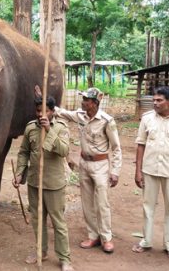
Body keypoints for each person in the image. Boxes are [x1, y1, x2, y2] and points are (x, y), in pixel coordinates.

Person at [55, 87, 122, 253]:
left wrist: (115, 171)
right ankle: (93, 236)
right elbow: (61, 112)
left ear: (94, 103)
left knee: (102, 203)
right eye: (83, 99)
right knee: (87, 203)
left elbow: (116, 148)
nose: (83, 102)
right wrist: (43, 100)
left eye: (86, 100)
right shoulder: (80, 115)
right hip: (84, 164)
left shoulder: (107, 121)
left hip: (100, 166)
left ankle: (106, 238)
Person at [13, 96, 74, 271]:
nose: (41, 114)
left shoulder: (60, 128)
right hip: (34, 182)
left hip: (54, 184)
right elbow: (24, 152)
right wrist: (19, 173)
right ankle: (42, 251)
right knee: (37, 220)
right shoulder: (31, 127)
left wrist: (49, 129)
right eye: (39, 110)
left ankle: (64, 259)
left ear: (53, 112)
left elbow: (64, 151)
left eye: (46, 111)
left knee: (58, 222)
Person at [132, 86, 169, 260]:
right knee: (147, 206)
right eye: (154, 100)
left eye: (159, 100)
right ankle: (146, 240)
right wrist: (138, 171)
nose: (155, 103)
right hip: (149, 169)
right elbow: (140, 144)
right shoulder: (146, 119)